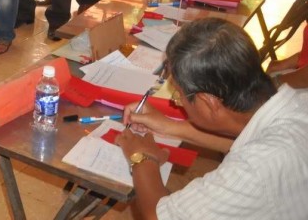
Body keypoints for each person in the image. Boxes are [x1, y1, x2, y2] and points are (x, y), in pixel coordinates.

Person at [118, 18, 308, 219]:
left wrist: (142, 158)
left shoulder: (252, 170)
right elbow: (245, 140)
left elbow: (156, 217)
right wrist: (169, 127)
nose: (177, 101)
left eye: (179, 95)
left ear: (208, 102)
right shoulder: (297, 102)